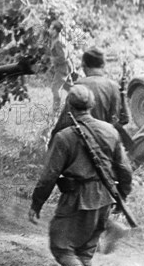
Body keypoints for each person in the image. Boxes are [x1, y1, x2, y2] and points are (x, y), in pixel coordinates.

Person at [29, 85, 133, 266]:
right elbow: (125, 170)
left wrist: (36, 204)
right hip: (104, 199)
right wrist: (121, 198)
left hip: (77, 200)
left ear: (69, 106)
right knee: (85, 251)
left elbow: (48, 176)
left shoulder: (64, 137)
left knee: (61, 246)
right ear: (91, 105)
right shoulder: (110, 131)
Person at [50, 46, 131, 254]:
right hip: (107, 146)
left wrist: (54, 142)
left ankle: (84, 244)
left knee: (79, 193)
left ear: (84, 66)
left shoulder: (79, 86)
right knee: (100, 193)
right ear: (103, 66)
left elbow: (66, 119)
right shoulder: (113, 86)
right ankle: (104, 232)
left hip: (81, 144)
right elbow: (124, 119)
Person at [48, 20, 74, 114]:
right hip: (64, 67)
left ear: (55, 30)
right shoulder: (55, 38)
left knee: (55, 88)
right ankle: (80, 103)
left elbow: (63, 57)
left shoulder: (59, 41)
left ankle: (56, 112)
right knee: (71, 89)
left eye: (51, 28)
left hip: (63, 68)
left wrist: (53, 60)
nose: (49, 30)